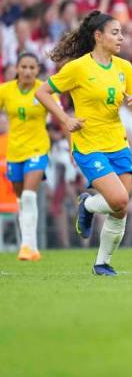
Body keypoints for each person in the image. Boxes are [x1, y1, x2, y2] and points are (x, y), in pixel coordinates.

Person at [36, 11, 132, 276]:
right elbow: (42, 92)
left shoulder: (125, 68)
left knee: (120, 209)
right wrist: (65, 119)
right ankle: (86, 205)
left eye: (121, 32)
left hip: (117, 142)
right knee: (118, 198)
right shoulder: (77, 68)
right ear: (98, 36)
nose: (121, 37)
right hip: (88, 144)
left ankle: (102, 263)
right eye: (115, 32)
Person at [0, 53, 50, 261]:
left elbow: (61, 116)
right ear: (17, 69)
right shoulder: (5, 91)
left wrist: (71, 144)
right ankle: (34, 247)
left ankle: (26, 245)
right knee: (23, 199)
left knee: (29, 196)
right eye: (24, 67)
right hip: (15, 152)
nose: (28, 71)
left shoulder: (44, 90)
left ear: (37, 70)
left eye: (32, 67)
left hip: (38, 149)